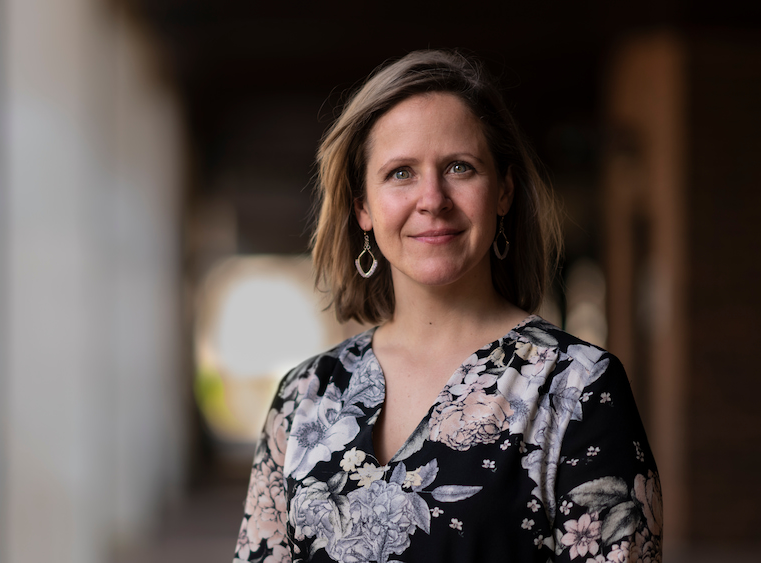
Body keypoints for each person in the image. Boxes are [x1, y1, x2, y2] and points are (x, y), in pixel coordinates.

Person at [233, 49, 662, 563]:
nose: (432, 198)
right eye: (400, 173)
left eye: (460, 167)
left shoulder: (579, 388)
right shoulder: (303, 397)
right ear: (362, 207)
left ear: (503, 191)